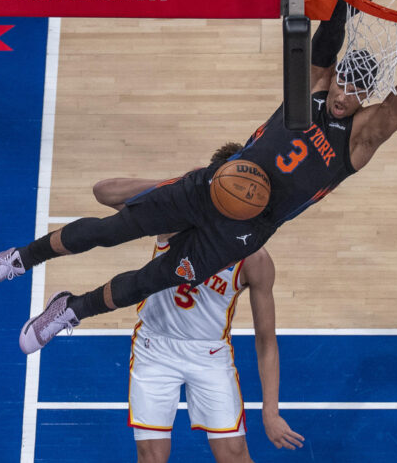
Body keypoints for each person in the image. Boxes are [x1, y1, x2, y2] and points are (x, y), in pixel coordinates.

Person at [0, 0, 397, 355]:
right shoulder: (314, 84)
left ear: (366, 96)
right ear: (334, 76)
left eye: (356, 91)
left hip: (245, 229)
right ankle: (15, 261)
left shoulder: (361, 137)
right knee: (110, 229)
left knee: (149, 280)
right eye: (342, 82)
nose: (343, 95)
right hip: (213, 184)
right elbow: (336, 23)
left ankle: (71, 309)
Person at [92, 142, 303, 463]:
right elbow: (104, 192)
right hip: (155, 350)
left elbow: (266, 341)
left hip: (210, 355)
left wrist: (270, 412)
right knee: (151, 456)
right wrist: (177, 185)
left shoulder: (255, 259)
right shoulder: (174, 221)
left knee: (234, 454)